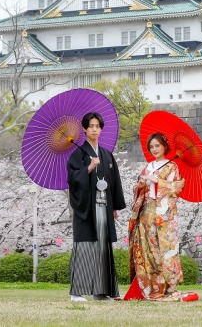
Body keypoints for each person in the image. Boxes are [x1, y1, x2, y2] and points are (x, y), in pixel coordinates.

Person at [126, 132, 195, 301]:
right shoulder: (147, 166)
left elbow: (177, 188)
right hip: (146, 212)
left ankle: (169, 286)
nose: (154, 149)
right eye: (151, 147)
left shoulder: (172, 166)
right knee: (146, 249)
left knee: (164, 249)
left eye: (157, 145)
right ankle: (150, 285)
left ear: (164, 146)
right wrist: (140, 185)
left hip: (164, 214)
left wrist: (157, 181)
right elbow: (137, 189)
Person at [66, 111, 125, 302]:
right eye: (90, 126)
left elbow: (114, 182)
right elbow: (73, 180)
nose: (94, 129)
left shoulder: (107, 155)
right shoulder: (77, 154)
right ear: (84, 129)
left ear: (101, 129)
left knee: (103, 247)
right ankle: (77, 292)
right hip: (87, 209)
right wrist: (89, 168)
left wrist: (114, 207)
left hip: (104, 207)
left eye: (97, 126)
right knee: (85, 246)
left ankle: (101, 292)